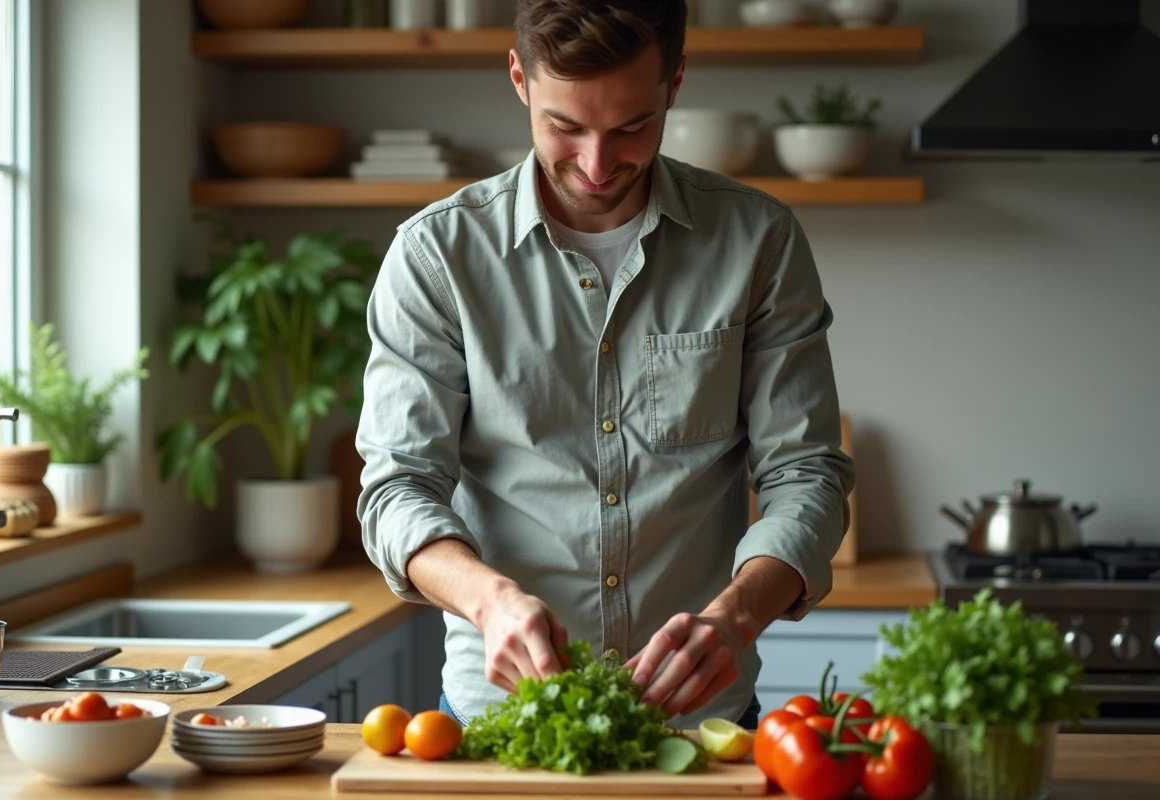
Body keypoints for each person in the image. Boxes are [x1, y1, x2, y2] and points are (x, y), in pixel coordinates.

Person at [356, 0, 855, 731]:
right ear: (520, 79)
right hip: (501, 720)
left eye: (631, 128)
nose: (596, 164)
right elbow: (397, 487)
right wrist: (490, 601)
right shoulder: (438, 257)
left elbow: (806, 472)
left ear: (675, 82)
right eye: (565, 127)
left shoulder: (758, 241)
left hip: (701, 720)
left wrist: (738, 616)